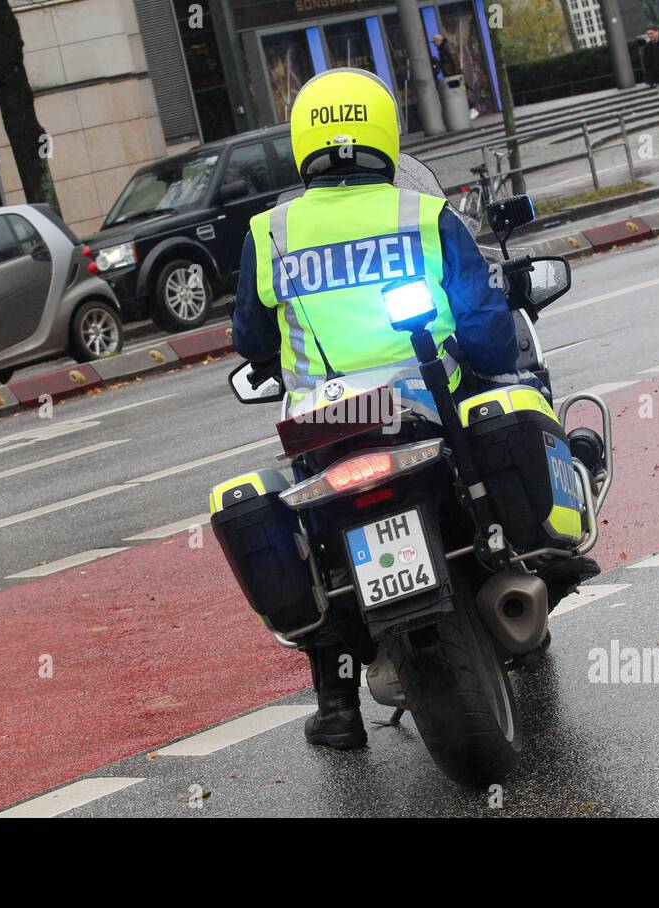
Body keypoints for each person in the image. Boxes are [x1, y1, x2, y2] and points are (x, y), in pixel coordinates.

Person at [230, 68, 521, 750]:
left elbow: (251, 339)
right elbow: (482, 324)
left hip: (323, 426)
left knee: (323, 553)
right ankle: (518, 553)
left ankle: (336, 704)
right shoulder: (419, 213)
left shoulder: (268, 231)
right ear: (384, 133)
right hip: (423, 404)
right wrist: (491, 357)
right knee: (491, 442)